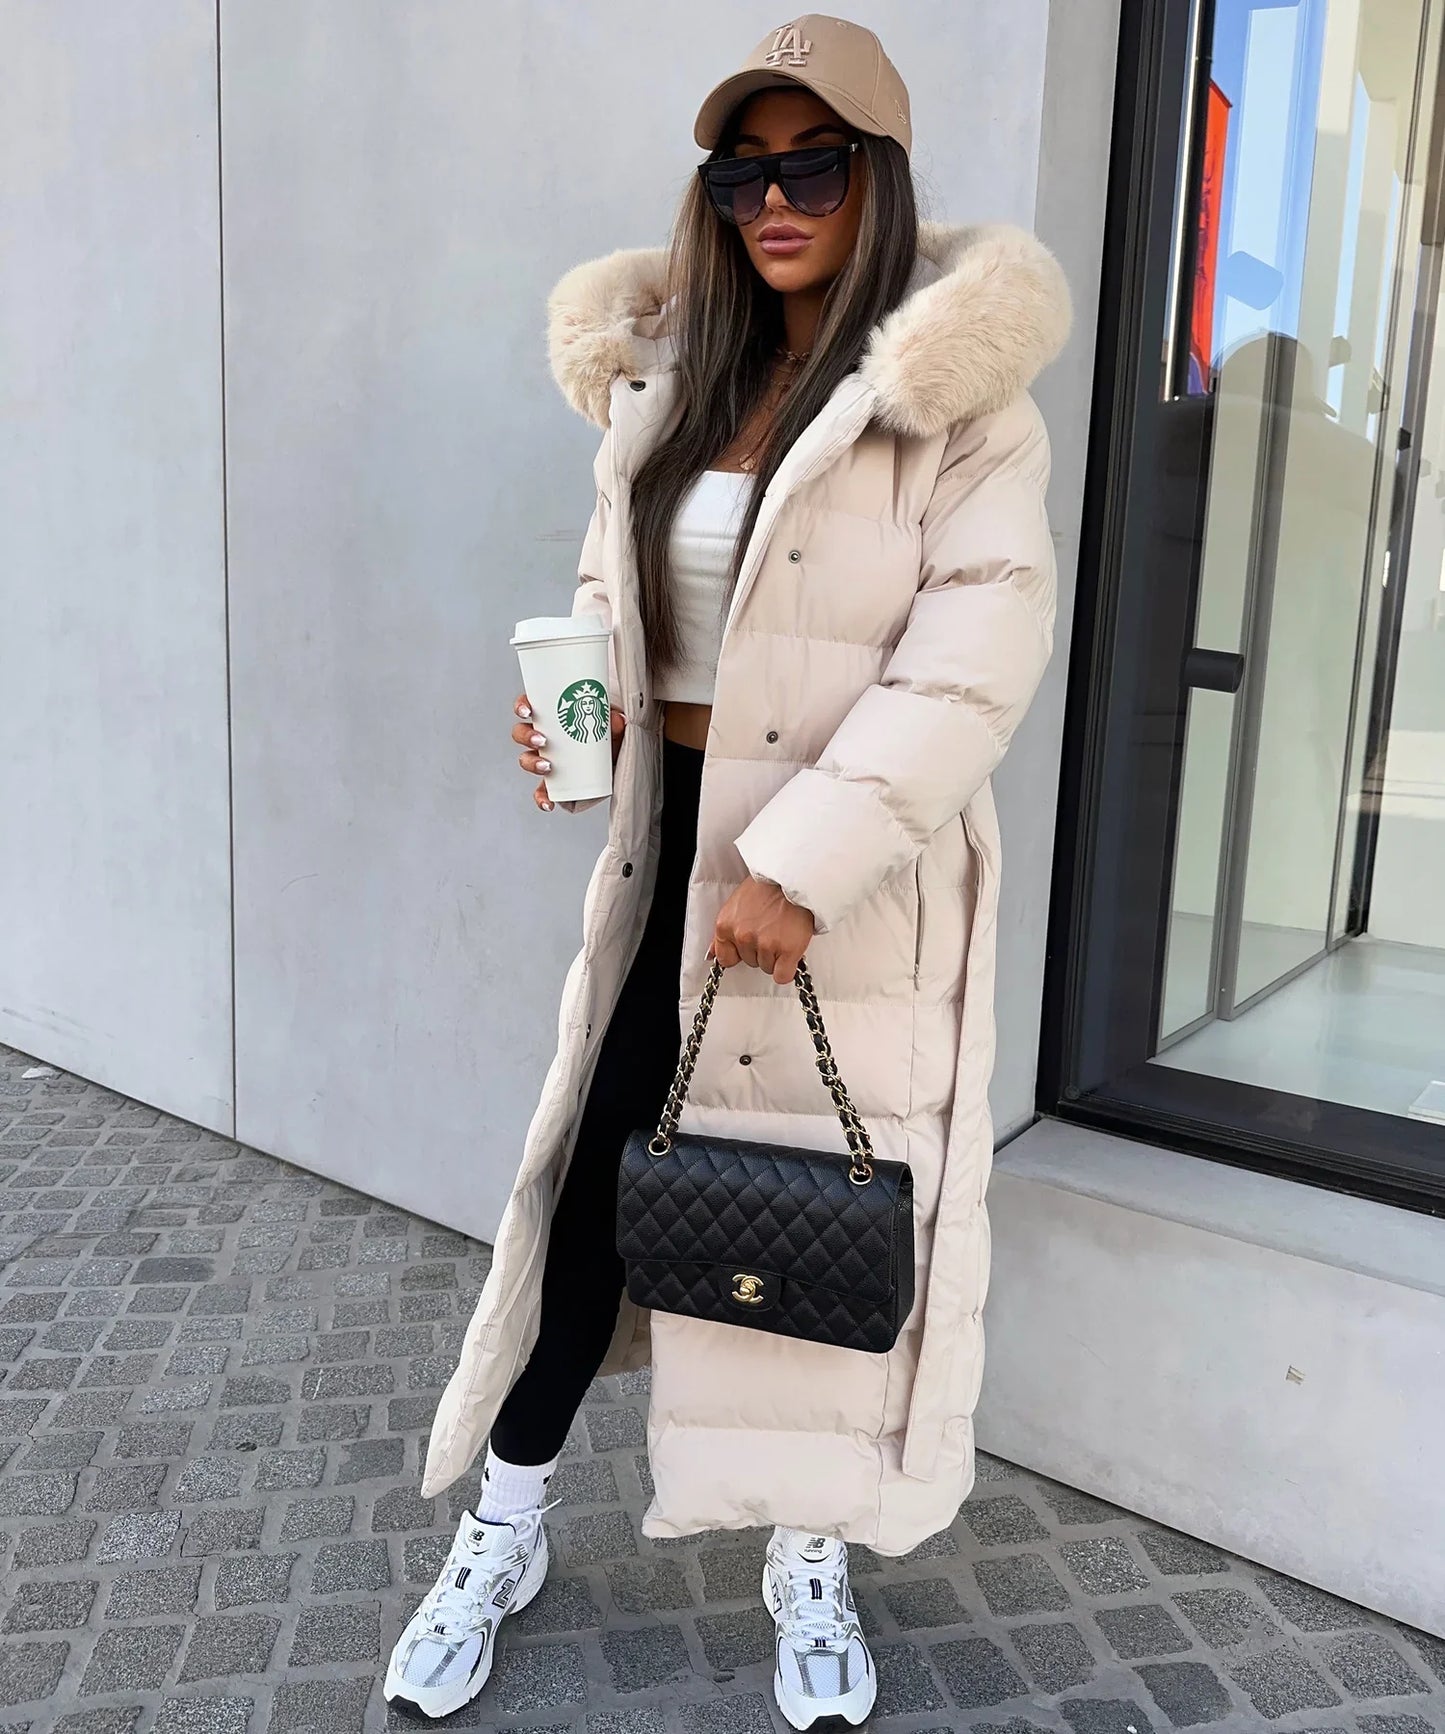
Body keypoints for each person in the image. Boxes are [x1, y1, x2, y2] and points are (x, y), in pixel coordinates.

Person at [384, 15, 1070, 1728]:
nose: (775, 198)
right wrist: (585, 717)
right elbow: (626, 603)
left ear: (876, 179)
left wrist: (807, 861)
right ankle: (509, 1519)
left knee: (803, 1221)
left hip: (839, 891)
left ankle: (807, 1563)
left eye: (813, 164)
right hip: (663, 861)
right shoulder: (671, 378)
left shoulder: (957, 407)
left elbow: (972, 659)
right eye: (745, 168)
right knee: (599, 1200)